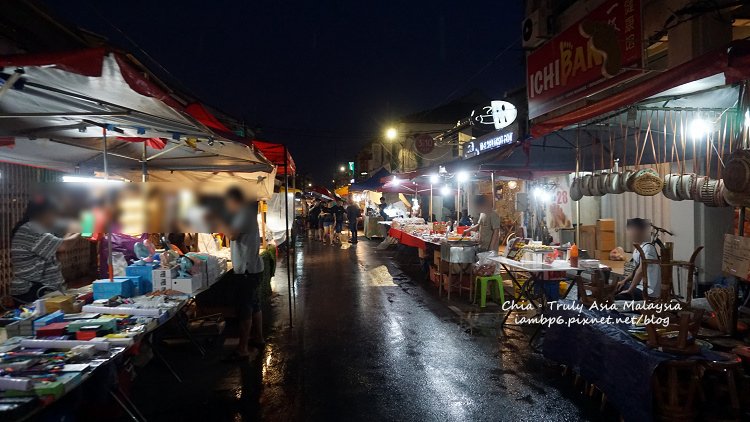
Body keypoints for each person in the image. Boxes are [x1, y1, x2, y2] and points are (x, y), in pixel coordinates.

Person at [10, 197, 79, 305]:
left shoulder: (43, 228)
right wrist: (81, 230)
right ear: (43, 213)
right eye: (55, 213)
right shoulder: (30, 228)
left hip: (44, 289)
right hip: (32, 290)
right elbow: (63, 246)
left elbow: (60, 243)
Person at [222, 187, 264, 361]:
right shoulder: (247, 213)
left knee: (245, 308)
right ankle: (258, 338)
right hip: (253, 268)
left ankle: (243, 349)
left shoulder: (242, 214)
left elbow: (232, 235)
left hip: (247, 270)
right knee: (254, 305)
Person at [617, 218, 660, 300]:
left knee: (617, 298)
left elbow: (641, 270)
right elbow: (635, 271)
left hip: (649, 291)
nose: (632, 233)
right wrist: (624, 281)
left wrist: (630, 289)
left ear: (642, 232)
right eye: (630, 230)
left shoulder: (648, 248)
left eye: (635, 230)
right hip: (640, 286)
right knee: (618, 287)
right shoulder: (637, 249)